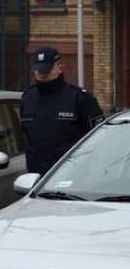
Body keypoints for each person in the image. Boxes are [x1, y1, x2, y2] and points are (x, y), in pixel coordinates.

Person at [20, 45, 104, 175]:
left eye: (46, 70)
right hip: (36, 178)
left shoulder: (79, 98)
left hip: (71, 175)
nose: (42, 74)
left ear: (59, 68)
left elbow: (98, 138)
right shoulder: (27, 98)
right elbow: (27, 136)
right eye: (38, 71)